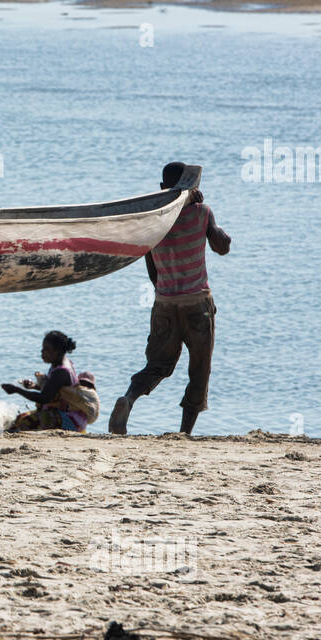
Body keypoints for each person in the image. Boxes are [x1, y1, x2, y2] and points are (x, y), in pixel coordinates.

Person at [109, 161, 232, 436]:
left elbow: (152, 271)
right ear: (192, 189)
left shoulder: (154, 222)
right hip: (197, 304)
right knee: (199, 371)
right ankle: (184, 432)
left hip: (165, 302)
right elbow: (221, 247)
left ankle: (129, 399)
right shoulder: (201, 212)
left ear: (163, 189)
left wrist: (165, 292)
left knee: (157, 365)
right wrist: (214, 223)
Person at [1, 331, 93, 432]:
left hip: (69, 420)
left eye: (46, 349)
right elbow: (55, 390)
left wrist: (17, 390)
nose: (42, 352)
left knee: (25, 422)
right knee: (19, 419)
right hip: (62, 414)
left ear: (57, 351)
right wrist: (34, 386)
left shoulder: (61, 371)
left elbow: (44, 398)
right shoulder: (58, 364)